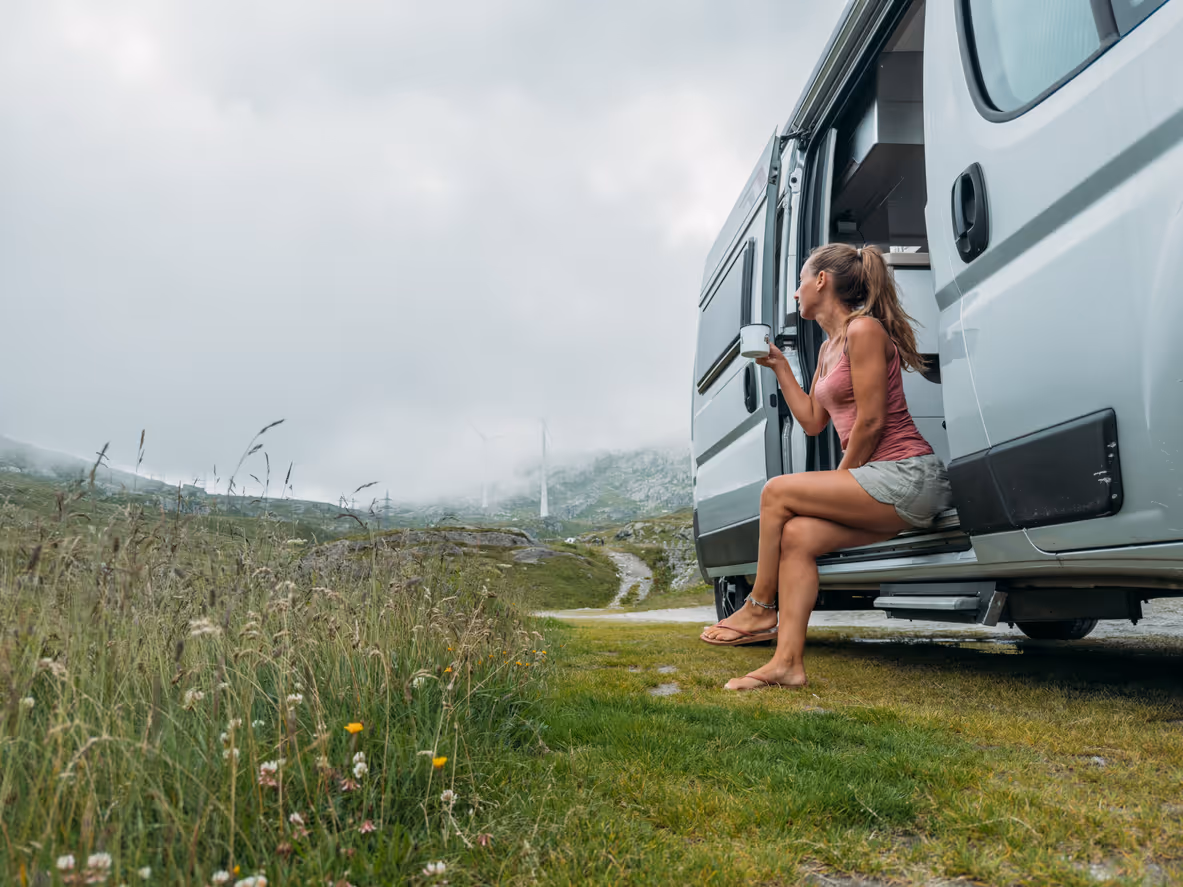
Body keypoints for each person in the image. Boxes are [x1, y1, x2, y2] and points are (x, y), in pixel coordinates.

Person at [699, 243, 954, 691]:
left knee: (776, 491)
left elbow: (872, 422)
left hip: (909, 475)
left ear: (822, 281)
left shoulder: (864, 330)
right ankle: (787, 665)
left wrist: (841, 478)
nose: (796, 293)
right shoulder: (826, 350)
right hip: (879, 482)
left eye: (800, 281)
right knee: (798, 536)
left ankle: (760, 607)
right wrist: (780, 366)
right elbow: (813, 422)